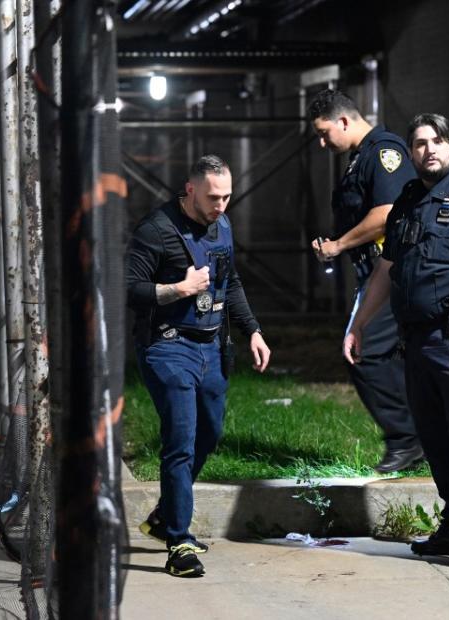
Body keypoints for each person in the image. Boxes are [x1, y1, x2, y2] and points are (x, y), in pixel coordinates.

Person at [343, 113, 449, 568]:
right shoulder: (407, 201)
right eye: (420, 143)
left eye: (437, 141)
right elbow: (388, 268)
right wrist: (360, 323)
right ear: (412, 151)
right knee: (434, 437)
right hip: (418, 341)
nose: (429, 150)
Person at [126, 155, 271, 578]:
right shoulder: (156, 230)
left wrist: (254, 331)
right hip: (168, 346)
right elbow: (130, 288)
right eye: (213, 197)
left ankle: (163, 516)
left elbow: (232, 282)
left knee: (211, 432)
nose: (221, 205)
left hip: (212, 346)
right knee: (182, 439)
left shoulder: (221, 224)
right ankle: (179, 541)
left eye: (227, 197)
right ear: (189, 190)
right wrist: (178, 288)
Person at [307, 89, 423, 473]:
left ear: (344, 120)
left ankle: (408, 439)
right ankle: (418, 436)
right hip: (374, 273)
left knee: (365, 352)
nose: (323, 143)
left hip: (392, 273)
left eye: (324, 133)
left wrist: (339, 244)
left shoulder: (384, 152)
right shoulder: (361, 158)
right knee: (373, 353)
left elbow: (388, 212)